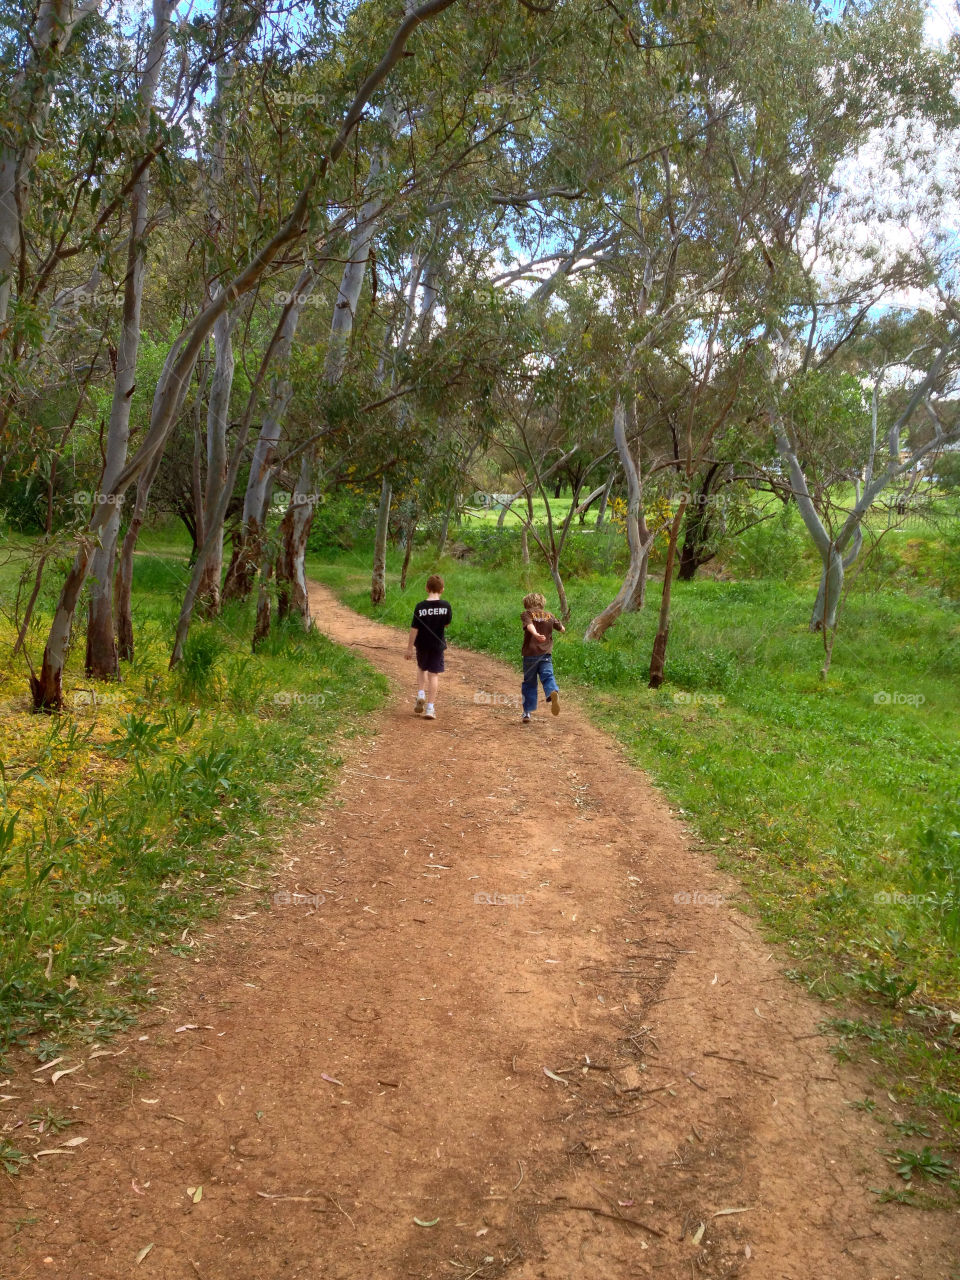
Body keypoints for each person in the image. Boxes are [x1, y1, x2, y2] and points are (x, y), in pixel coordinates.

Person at [406, 574, 452, 721]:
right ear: (442, 589)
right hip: (437, 645)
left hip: (422, 644)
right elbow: (446, 624)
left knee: (421, 668)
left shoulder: (420, 607)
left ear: (426, 588)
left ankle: (420, 694)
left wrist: (409, 648)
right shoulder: (446, 606)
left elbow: (414, 628)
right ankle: (430, 708)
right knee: (433, 675)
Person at [519, 591, 565, 724]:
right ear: (542, 603)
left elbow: (529, 625)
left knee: (529, 683)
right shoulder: (550, 615)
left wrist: (535, 634)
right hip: (545, 655)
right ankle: (552, 691)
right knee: (548, 676)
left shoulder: (527, 614)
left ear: (527, 603)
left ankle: (527, 712)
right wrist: (559, 627)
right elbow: (562, 629)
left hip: (530, 655)